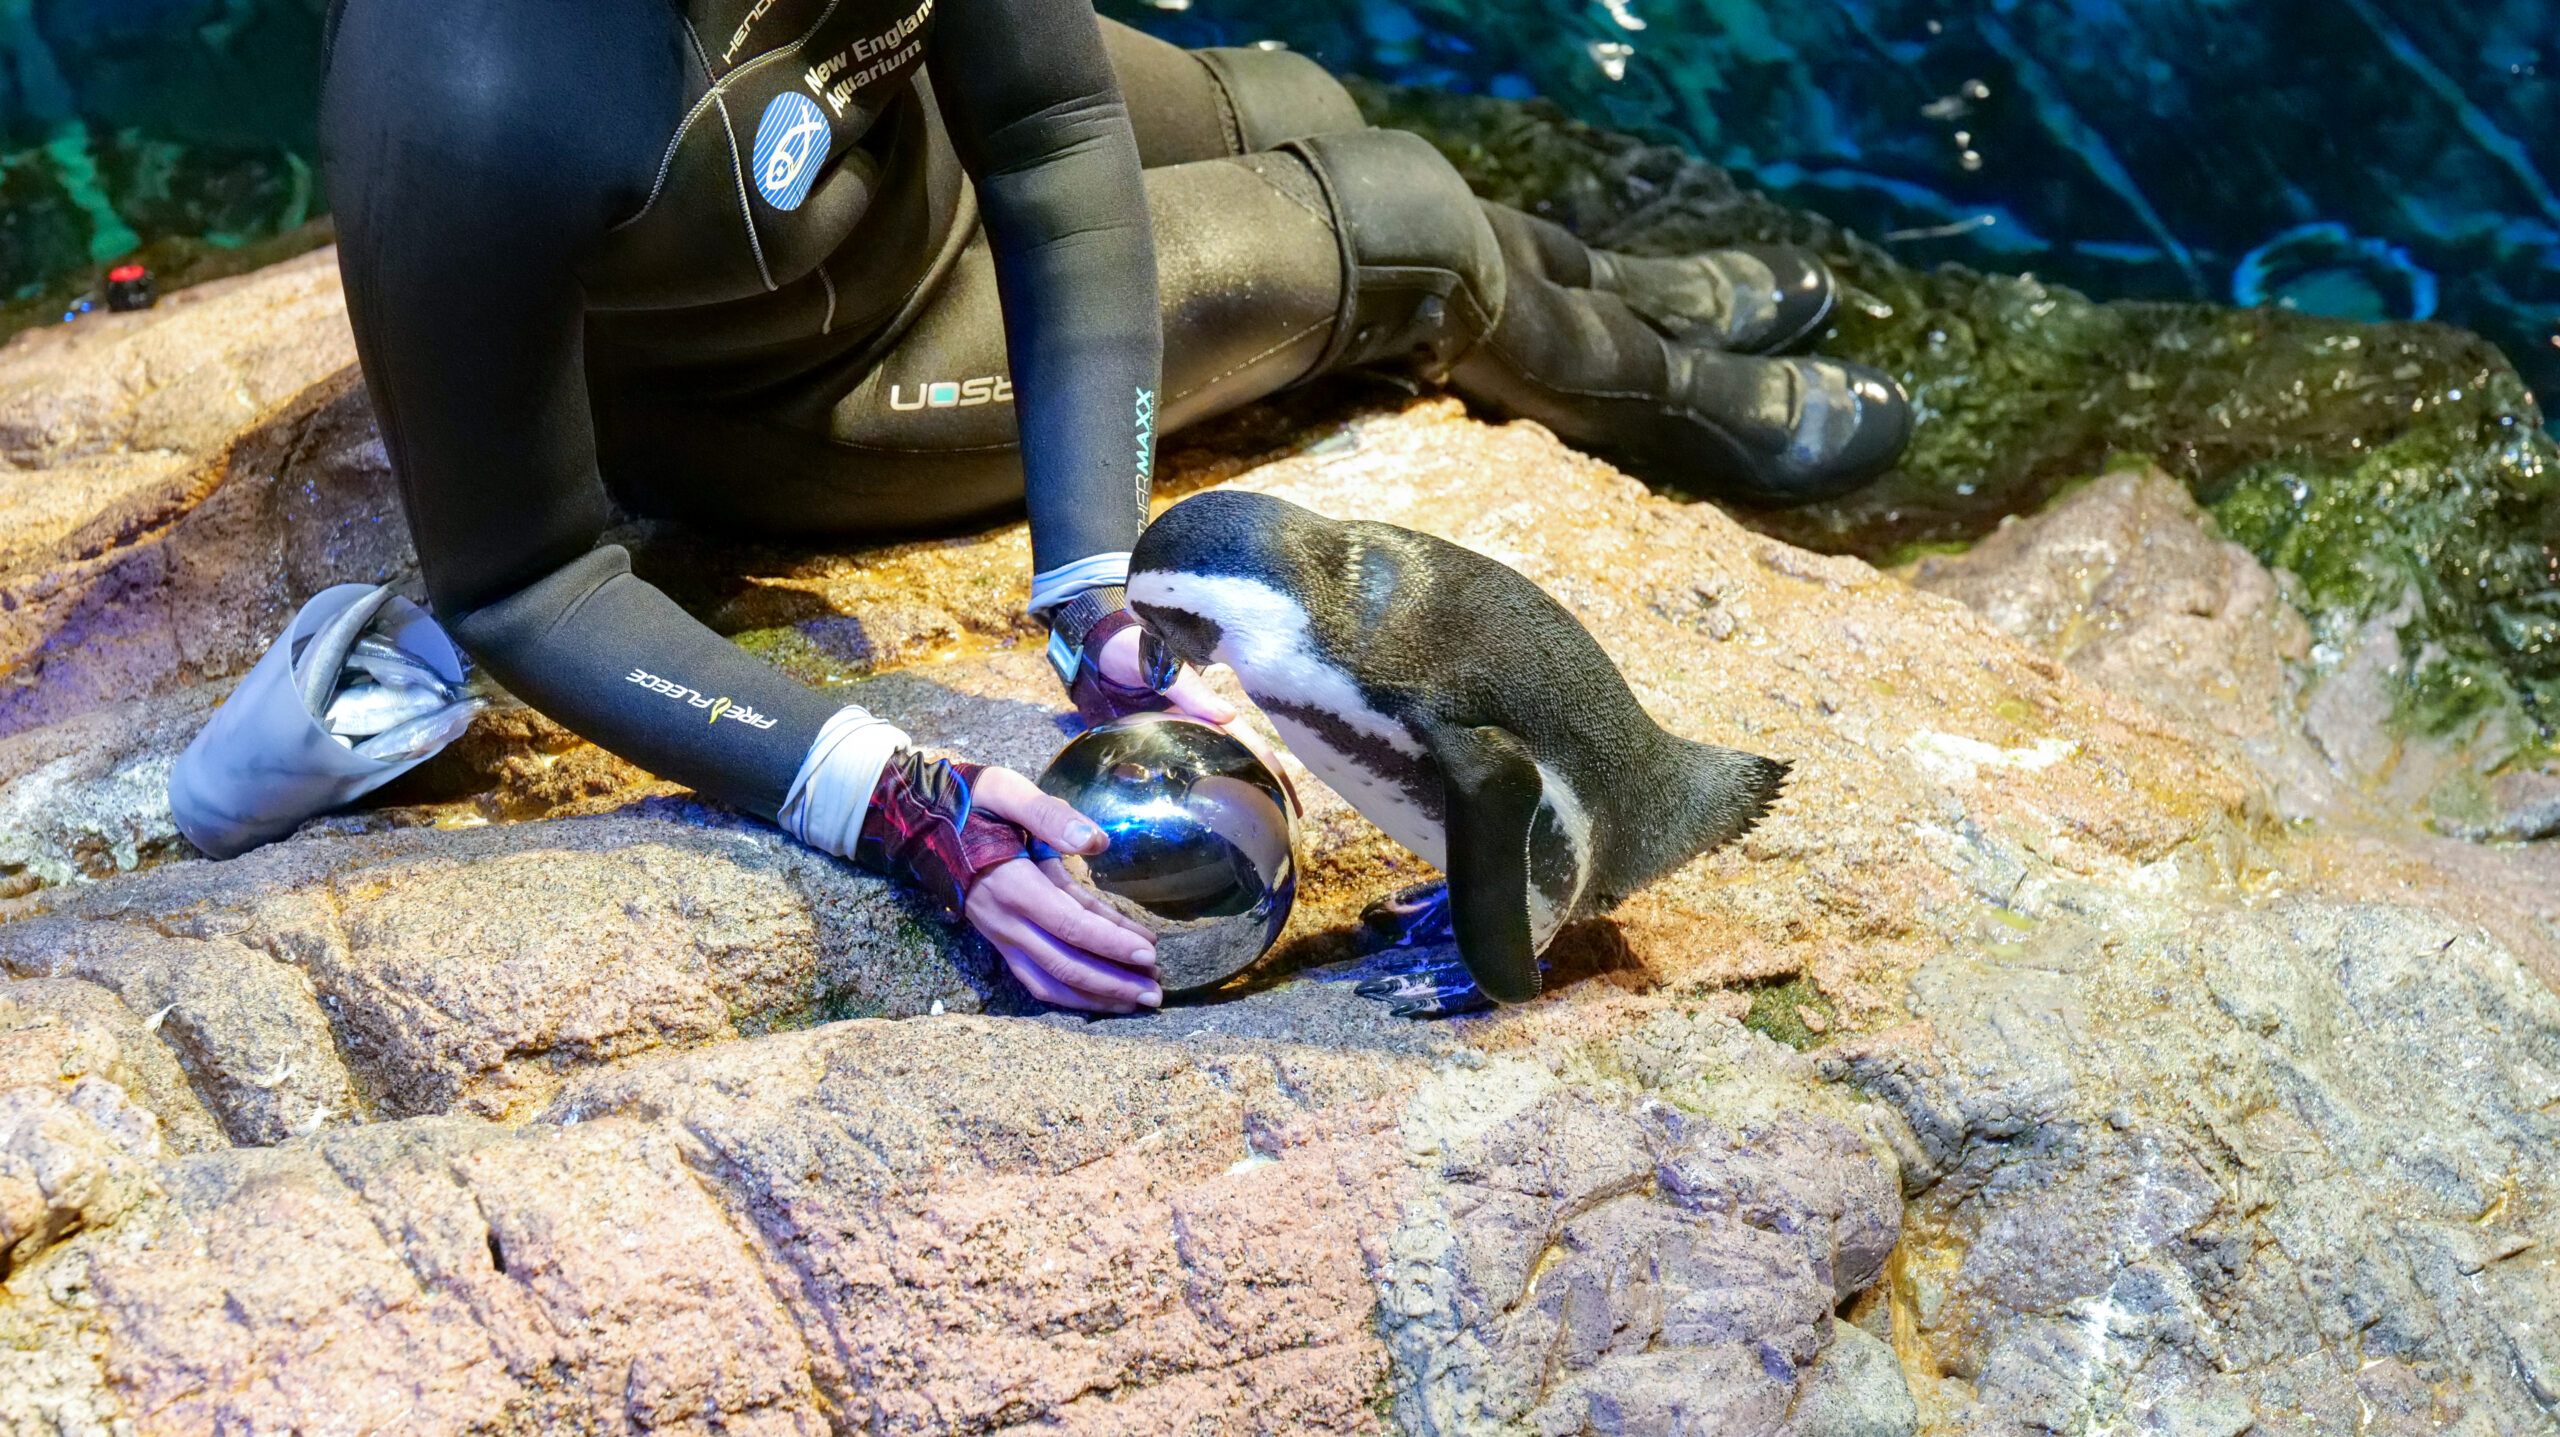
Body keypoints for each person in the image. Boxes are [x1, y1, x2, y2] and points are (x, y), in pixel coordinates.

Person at [315, 0, 1912, 1015]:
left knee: (1304, 97)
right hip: (802, 369)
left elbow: (1054, 131)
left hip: (904, 138)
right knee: (1404, 223)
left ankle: (1594, 279)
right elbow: (524, 579)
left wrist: (1094, 579)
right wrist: (898, 799)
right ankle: (1653, 383)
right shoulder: (469, 77)